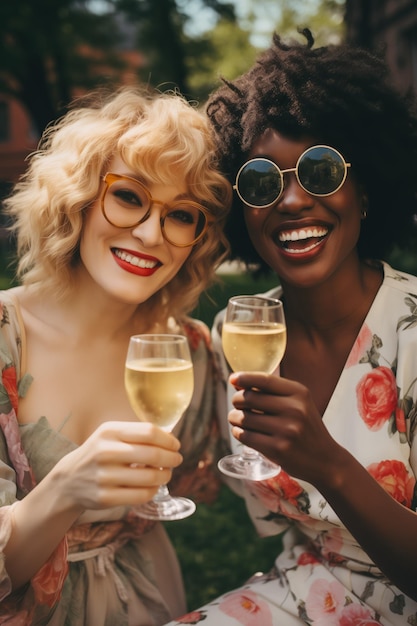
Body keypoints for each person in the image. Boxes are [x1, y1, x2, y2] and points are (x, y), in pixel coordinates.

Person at [165, 29, 417, 625]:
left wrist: (327, 462)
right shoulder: (241, 329)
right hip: (304, 590)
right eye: (260, 182)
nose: (293, 200)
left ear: (365, 191)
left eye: (321, 171)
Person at [0, 86, 231, 625]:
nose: (151, 234)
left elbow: (251, 484)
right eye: (128, 196)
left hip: (147, 597)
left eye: (181, 214)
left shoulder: (191, 351)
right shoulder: (7, 336)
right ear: (76, 199)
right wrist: (65, 489)